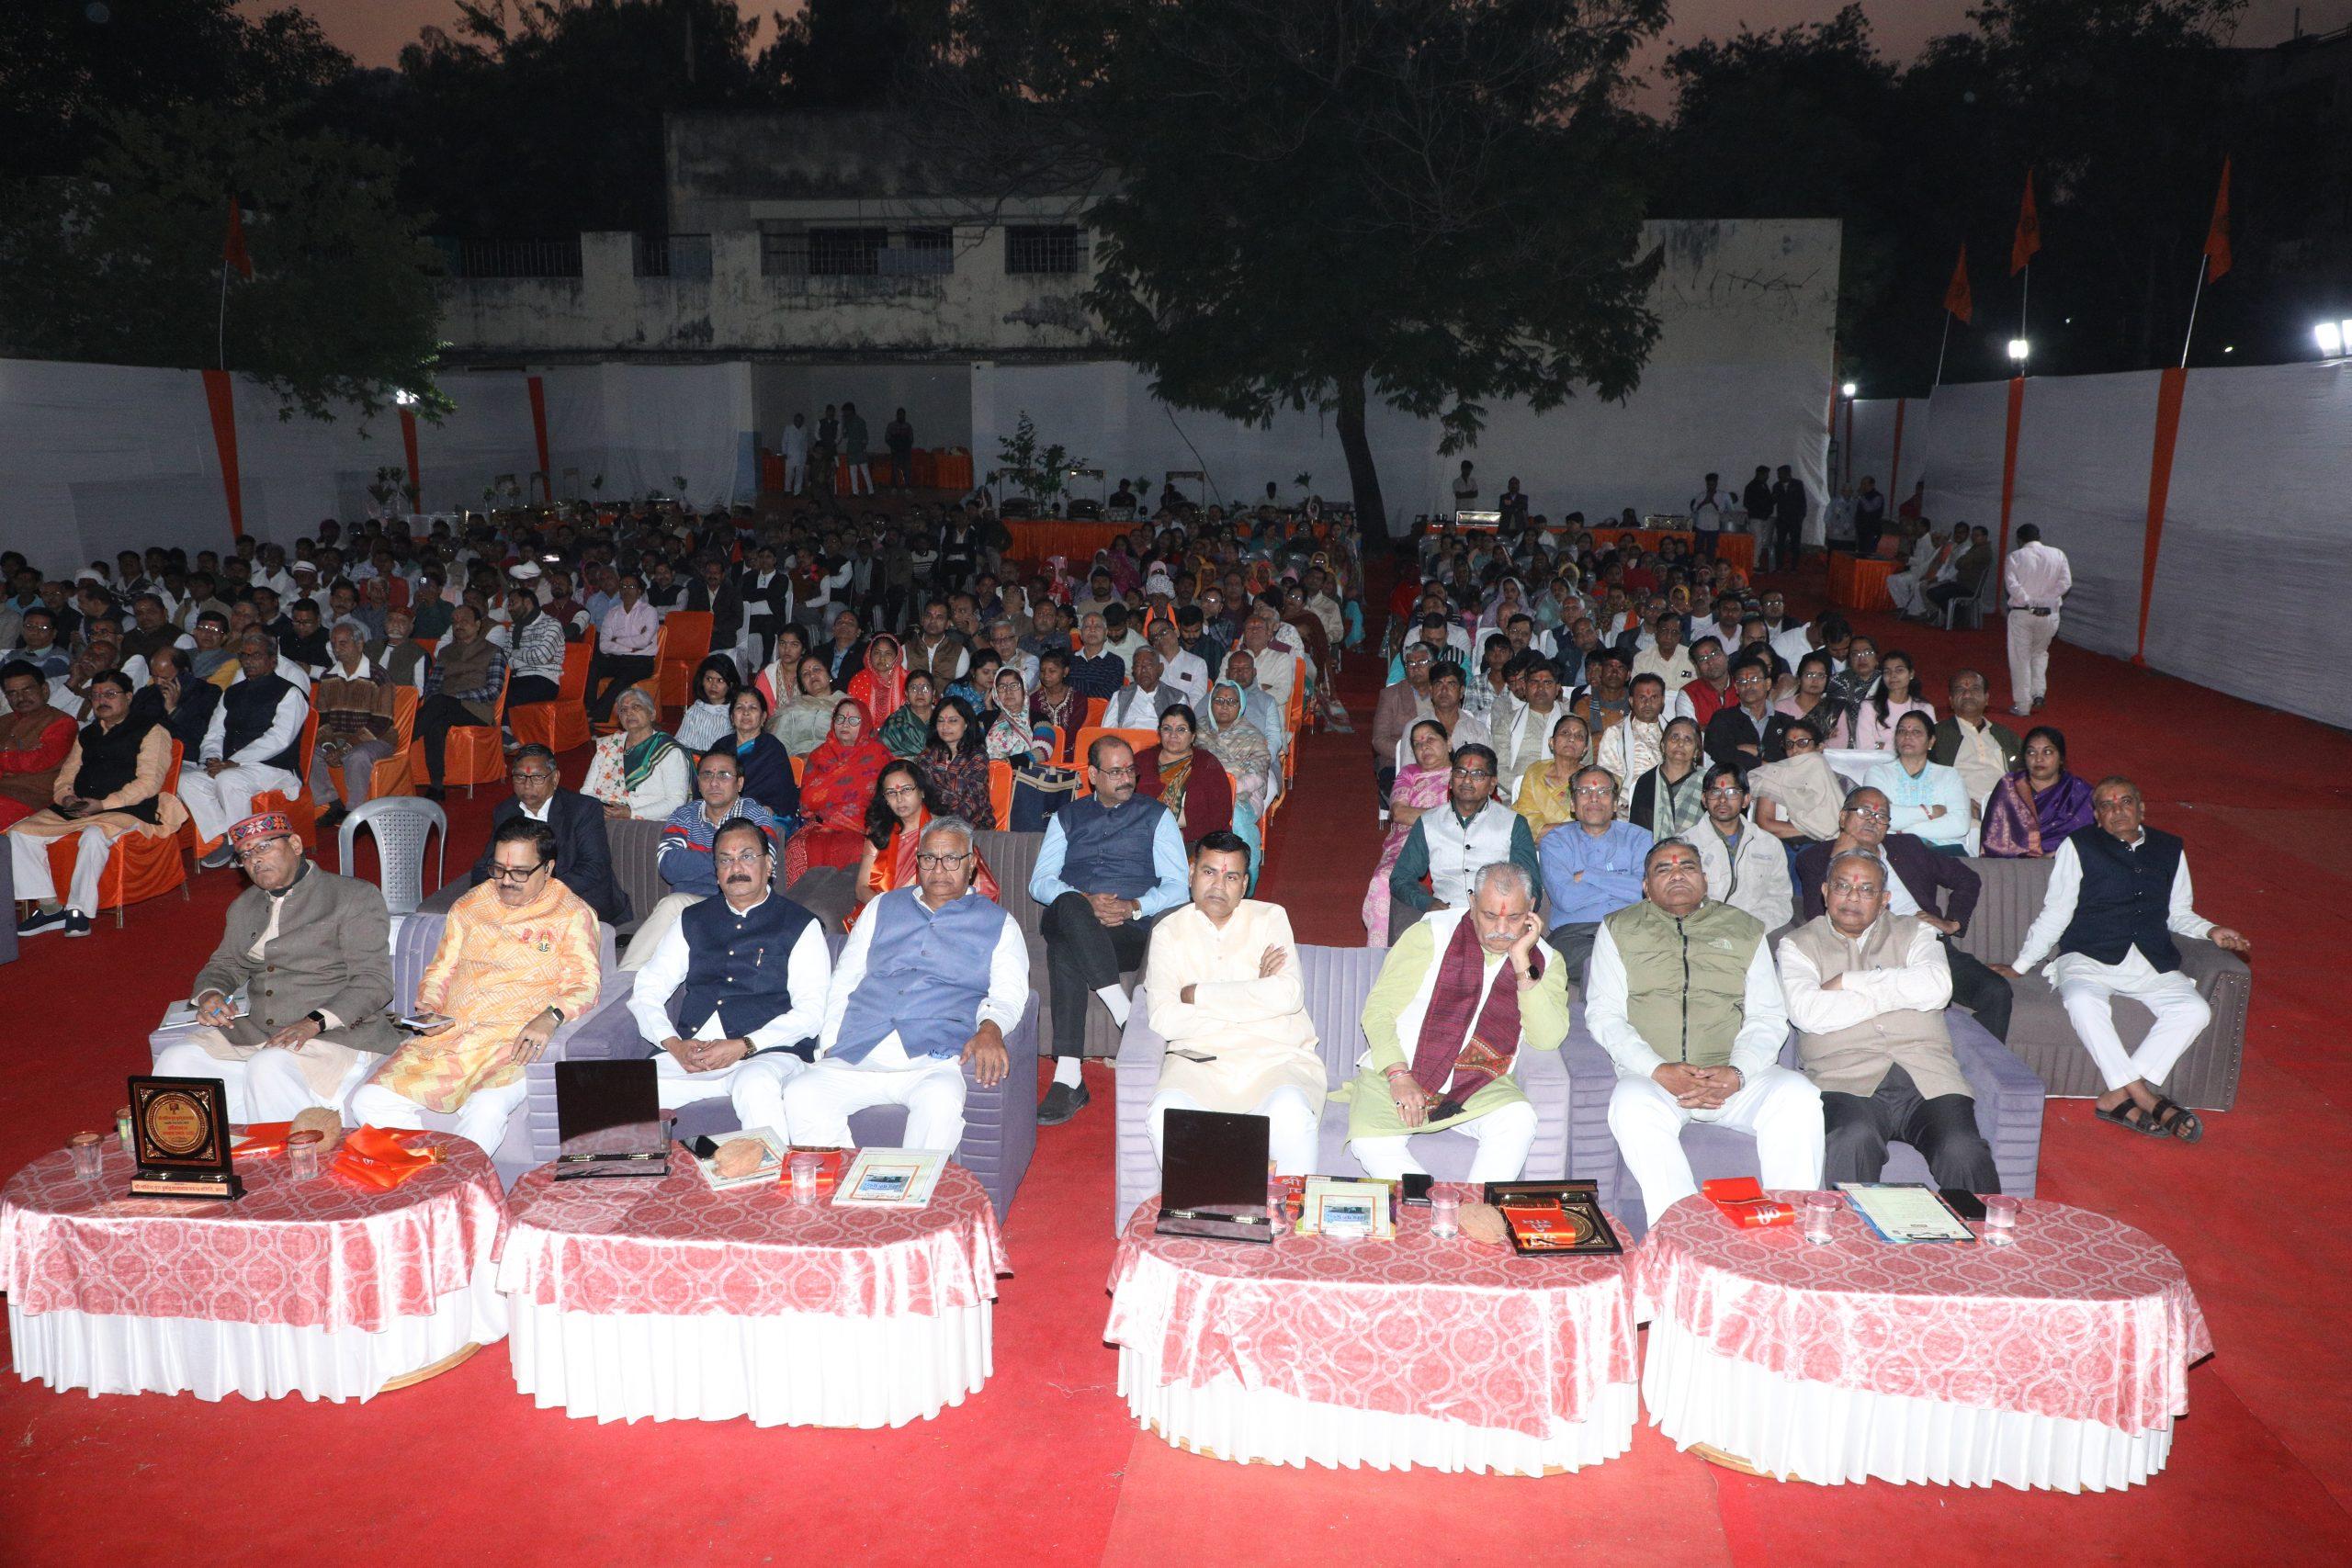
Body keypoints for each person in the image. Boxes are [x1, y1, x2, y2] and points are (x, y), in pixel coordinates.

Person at [1993, 775, 2247, 1141]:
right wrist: (2020, 965)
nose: (2118, 811)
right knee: (2081, 999)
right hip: (2088, 956)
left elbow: (2178, 912)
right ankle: (2142, 1094)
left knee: (2195, 1011)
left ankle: (2118, 1095)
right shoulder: (2078, 846)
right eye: (2107, 806)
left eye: (2125, 802)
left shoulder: (2170, 848)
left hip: (2149, 959)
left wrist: (2211, 930)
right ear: (2096, 815)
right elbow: (2057, 912)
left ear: (2141, 808)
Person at [1587, 839, 1819, 1226]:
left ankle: (1791, 1234)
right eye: (1663, 869)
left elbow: (1768, 1018)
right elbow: (1604, 1015)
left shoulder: (1745, 930)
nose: (1677, 873)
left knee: (1799, 1095)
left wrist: (1737, 1072)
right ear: (1645, 885)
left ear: (1706, 879)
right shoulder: (1619, 928)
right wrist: (1658, 1069)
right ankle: (1681, 1234)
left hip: (1733, 1079)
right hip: (1655, 1080)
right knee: (1629, 1104)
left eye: (1688, 867)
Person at [347, 818, 603, 1151]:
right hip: (455, 1034)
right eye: (498, 870)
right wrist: (430, 1007)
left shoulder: (571, 914)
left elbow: (585, 985)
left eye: (520, 873)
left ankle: (459, 1183)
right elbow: (441, 969)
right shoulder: (470, 906)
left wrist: (551, 1016)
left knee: (486, 1109)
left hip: (513, 1041)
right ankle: (432, 1167)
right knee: (368, 1101)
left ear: (548, 868)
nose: (506, 882)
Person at [786, 816, 1025, 1153]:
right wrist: (829, 1042)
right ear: (918, 862)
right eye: (929, 858)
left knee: (941, 1101)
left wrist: (991, 1028)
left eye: (952, 859)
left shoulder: (999, 923)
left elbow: (1010, 993)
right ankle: (842, 1190)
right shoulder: (883, 906)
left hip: (933, 1058)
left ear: (971, 865)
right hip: (860, 1051)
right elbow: (846, 977)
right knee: (800, 1093)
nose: (939, 869)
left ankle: (911, 1198)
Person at [153, 813, 401, 1121]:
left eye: (263, 847)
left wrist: (313, 1022)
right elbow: (226, 963)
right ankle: (199, 1161)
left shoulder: (352, 897)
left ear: (295, 845)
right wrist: (211, 995)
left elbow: (374, 982)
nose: (254, 859)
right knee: (176, 1062)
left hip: (335, 1034)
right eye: (245, 855)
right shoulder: (245, 906)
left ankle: (286, 1162)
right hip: (258, 1031)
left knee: (268, 1065)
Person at [1781, 848, 2000, 1189]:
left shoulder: (1917, 932)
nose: (1853, 897)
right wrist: (1897, 992)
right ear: (1824, 891)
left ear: (1884, 899)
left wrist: (1847, 982)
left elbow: (1938, 989)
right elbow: (1808, 1013)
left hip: (1928, 1075)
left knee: (1962, 1150)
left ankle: (1985, 1238)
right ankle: (1849, 1240)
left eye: (1866, 889)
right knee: (1853, 1138)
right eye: (1842, 886)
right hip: (1843, 1079)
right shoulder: (1797, 945)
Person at [1346, 862, 1567, 1180]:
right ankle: (1440, 1208)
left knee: (1518, 1118)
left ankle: (1475, 1213)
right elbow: (1378, 1010)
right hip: (1401, 1071)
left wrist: (1521, 963)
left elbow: (1547, 1039)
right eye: (1490, 915)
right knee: (1369, 1144)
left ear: (1532, 909)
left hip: (1478, 1084)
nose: (1501, 928)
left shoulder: (1544, 959)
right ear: (1473, 902)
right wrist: (1398, 1074)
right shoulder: (1431, 933)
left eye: (1515, 917)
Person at [623, 818, 832, 1130]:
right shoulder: (692, 919)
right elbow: (648, 988)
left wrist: (744, 1045)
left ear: (769, 865)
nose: (736, 867)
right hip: (693, 1053)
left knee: (755, 1083)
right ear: (716, 872)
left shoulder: (800, 924)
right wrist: (672, 1044)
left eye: (747, 856)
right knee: (625, 1091)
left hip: (766, 1054)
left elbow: (811, 1013)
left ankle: (769, 1177)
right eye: (725, 859)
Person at [1141, 831, 1327, 1174]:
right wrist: (1253, 996)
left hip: (1273, 1059)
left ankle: (1290, 1223)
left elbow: (1288, 994)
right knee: (1166, 1114)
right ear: (1191, 873)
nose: (1218, 885)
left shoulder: (1271, 918)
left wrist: (1197, 994)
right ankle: (1202, 1217)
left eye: (1231, 877)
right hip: (1200, 1065)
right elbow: (1165, 1019)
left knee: (1291, 1111)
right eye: (1209, 872)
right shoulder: (1169, 932)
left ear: (1244, 885)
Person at [1028, 736, 1189, 1125]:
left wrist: (1134, 906)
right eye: (1115, 771)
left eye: (1130, 769)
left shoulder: (1157, 816)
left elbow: (1178, 885)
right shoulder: (1067, 817)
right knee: (1068, 906)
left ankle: (1069, 1078)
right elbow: (1040, 882)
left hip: (1126, 930)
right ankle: (1124, 1011)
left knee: (1065, 949)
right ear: (1093, 775)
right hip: (1072, 912)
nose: (1126, 778)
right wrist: (1084, 899)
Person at [1793, 786, 2014, 1041]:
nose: (1872, 820)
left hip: (1924, 947)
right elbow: (1816, 917)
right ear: (1843, 817)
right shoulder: (1815, 858)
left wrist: (1953, 922)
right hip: (1861, 955)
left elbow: (1967, 878)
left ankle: (1983, 1071)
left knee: (1995, 991)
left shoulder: (1907, 847)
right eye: (1863, 811)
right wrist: (1837, 856)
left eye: (1881, 816)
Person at [9, 671, 187, 937]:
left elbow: (149, 783)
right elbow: (66, 776)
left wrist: (105, 804)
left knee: (93, 835)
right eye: (96, 695)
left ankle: (78, 910)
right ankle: (50, 908)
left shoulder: (152, 731)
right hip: (80, 806)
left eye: (110, 694)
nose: (101, 700)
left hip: (128, 808)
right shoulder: (88, 733)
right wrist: (66, 797)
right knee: (19, 833)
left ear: (128, 697)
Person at [184, 633, 308, 867]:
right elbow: (215, 732)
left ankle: (243, 847)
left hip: (274, 767)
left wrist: (234, 761)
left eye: (257, 655)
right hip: (232, 766)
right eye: (245, 655)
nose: (249, 661)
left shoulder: (290, 693)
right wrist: (212, 758)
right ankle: (227, 837)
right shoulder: (232, 692)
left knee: (229, 780)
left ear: (273, 660)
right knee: (188, 781)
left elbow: (279, 739)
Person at [1387, 742, 1540, 931]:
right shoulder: (1429, 822)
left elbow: (1530, 884)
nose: (1467, 780)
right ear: (1451, 780)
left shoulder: (1514, 823)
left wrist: (1511, 917)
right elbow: (1400, 878)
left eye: (1477, 774)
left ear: (1492, 784)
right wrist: (1427, 903)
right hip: (1445, 919)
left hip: (1499, 922)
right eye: (1460, 772)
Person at [473, 744, 630, 925]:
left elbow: (594, 867)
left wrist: (538, 894)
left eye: (537, 777)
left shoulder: (582, 809)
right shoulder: (505, 811)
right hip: (521, 901)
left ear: (555, 778)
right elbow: (486, 864)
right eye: (520, 776)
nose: (527, 784)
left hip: (577, 899)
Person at [1538, 764, 1653, 976]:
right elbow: (1566, 899)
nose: (1594, 798)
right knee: (1597, 962)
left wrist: (1590, 876)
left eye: (1603, 792)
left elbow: (1644, 892)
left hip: (1632, 929)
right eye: (1584, 792)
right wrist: (1623, 883)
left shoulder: (1640, 839)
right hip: (1574, 935)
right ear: (1572, 804)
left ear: (1616, 804)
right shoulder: (1555, 843)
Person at [782, 697, 892, 885]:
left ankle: (850, 912)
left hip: (863, 827)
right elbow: (807, 801)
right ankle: (798, 908)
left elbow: (884, 801)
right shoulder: (819, 754)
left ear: (864, 722)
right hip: (820, 824)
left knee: (856, 848)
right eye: (840, 719)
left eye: (853, 720)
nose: (845, 724)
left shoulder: (878, 754)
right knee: (796, 847)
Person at [1363, 719, 1451, 942]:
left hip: (1452, 842)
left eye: (1430, 739)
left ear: (1448, 743)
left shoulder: (1462, 774)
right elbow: (1400, 813)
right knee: (1383, 878)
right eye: (1417, 744)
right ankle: (1378, 955)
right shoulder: (1408, 774)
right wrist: (1447, 817)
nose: (1424, 747)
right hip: (1407, 843)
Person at [307, 625, 399, 832]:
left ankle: (355, 812)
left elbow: (381, 721)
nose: (337, 649)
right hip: (338, 739)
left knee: (357, 757)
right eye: (334, 644)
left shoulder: (378, 675)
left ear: (359, 644)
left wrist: (345, 748)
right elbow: (321, 718)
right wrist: (330, 746)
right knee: (310, 753)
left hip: (377, 738)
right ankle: (333, 804)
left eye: (343, 643)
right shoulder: (329, 676)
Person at [415, 605, 507, 801]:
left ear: (478, 624)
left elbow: (493, 690)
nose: (458, 625)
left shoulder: (493, 651)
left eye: (464, 620)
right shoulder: (446, 652)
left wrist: (456, 698)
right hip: (444, 707)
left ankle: (400, 741)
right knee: (436, 722)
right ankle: (437, 785)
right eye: (455, 621)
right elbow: (432, 686)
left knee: (439, 703)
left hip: (476, 710)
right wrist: (440, 700)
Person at [1690, 763, 1793, 931]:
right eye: (1715, 792)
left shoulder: (1769, 845)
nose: (1722, 799)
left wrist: (1747, 927)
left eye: (1732, 793)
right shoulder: (1687, 844)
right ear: (1704, 799)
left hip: (1756, 930)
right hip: (1704, 930)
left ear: (1746, 799)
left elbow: (1779, 899)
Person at [1980, 724, 2095, 858]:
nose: (2038, 759)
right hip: (2014, 867)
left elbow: (2089, 839)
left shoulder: (2078, 792)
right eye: (2031, 752)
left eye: (2047, 752)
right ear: (2024, 757)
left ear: (2061, 759)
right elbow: (1993, 839)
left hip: (2064, 864)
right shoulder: (2010, 786)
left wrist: (2057, 855)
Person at [1864, 711, 1972, 852]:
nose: (1907, 736)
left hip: (1945, 851)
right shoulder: (1878, 773)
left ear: (1931, 741)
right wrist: (1930, 811)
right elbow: (1877, 817)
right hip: (1895, 852)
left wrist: (1902, 830)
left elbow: (1960, 824)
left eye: (1916, 732)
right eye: (1902, 731)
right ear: (1896, 739)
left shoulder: (1949, 775)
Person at [581, 686, 691, 822]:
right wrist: (602, 810)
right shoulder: (609, 745)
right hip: (604, 816)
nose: (629, 713)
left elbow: (676, 802)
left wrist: (631, 813)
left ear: (652, 714)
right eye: (623, 710)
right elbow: (586, 790)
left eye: (636, 707)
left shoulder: (669, 751)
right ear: (619, 718)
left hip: (646, 822)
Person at [1198, 679, 1276, 867]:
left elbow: (1257, 775)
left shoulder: (1253, 735)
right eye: (1219, 701)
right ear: (1210, 703)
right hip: (1201, 791)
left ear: (1240, 706)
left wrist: (1227, 788)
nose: (1225, 706)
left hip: (1242, 796)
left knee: (1238, 818)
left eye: (1232, 702)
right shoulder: (1196, 730)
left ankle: (1247, 873)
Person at [1135, 702, 1233, 840]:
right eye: (1167, 728)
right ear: (1159, 732)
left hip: (1194, 838)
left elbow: (1221, 813)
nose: (1173, 735)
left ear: (1193, 736)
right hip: (1144, 834)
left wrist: (1183, 835)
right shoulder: (1141, 760)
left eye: (1181, 730)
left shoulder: (1207, 764)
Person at [2003, 522, 2071, 716]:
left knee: (2020, 657)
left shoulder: (2015, 557)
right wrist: (2045, 600)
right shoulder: (2058, 554)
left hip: (2023, 613)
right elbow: (2066, 582)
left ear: (2019, 539)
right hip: (2050, 614)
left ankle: (2023, 705)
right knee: (2040, 653)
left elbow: (2012, 585)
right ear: (2039, 537)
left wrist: (2031, 602)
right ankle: (2038, 692)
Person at [0, 659, 76, 831]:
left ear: (44, 689)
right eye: (12, 693)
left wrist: (6, 757)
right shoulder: (4, 722)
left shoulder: (63, 722)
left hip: (30, 799)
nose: (21, 698)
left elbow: (36, 761)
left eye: (27, 690)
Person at [1929, 669, 2022, 810]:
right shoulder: (1936, 735)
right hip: (1961, 811)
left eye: (1975, 688)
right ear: (1951, 701)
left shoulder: (2006, 736)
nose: (1967, 694)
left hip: (2006, 810)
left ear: (1986, 699)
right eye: (1960, 689)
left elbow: (2025, 774)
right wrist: (1959, 802)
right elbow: (1925, 777)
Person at [1747, 718, 1844, 850]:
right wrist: (1819, 829)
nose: (1795, 750)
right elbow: (1765, 825)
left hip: (1828, 848)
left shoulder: (1839, 780)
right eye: (1789, 744)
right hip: (1784, 848)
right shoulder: (1774, 776)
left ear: (1819, 747)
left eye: (1802, 743)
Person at [585, 570, 661, 723]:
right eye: (623, 587)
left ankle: (596, 716)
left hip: (642, 661)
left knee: (621, 679)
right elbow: (604, 646)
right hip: (619, 658)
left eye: (631, 587)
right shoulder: (612, 613)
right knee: (592, 667)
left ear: (639, 591)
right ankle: (588, 708)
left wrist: (617, 639)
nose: (626, 590)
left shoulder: (649, 611)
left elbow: (643, 642)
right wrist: (629, 647)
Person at [722, 687, 800, 823]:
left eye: (753, 708)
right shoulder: (720, 746)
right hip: (721, 813)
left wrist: (755, 814)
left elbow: (782, 796)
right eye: (740, 708)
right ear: (732, 717)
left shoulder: (772, 749)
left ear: (763, 717)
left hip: (763, 817)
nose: (746, 713)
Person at [1595, 673, 1668, 815]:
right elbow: (1608, 778)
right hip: (1627, 808)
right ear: (1631, 701)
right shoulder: (1615, 733)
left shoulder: (1675, 735)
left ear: (1663, 701)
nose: (1648, 703)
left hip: (1667, 804)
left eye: (1654, 697)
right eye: (1642, 698)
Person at [918, 695, 994, 828]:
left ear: (966, 724)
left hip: (973, 827)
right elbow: (923, 798)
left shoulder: (978, 757)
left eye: (953, 721)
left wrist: (942, 821)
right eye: (940, 721)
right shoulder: (926, 757)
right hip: (930, 824)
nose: (945, 726)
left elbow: (972, 803)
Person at [1629, 716, 1707, 840]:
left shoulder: (1707, 782)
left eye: (1688, 740)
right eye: (1674, 737)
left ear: (1697, 751)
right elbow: (1638, 833)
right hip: (1655, 853)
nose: (1680, 744)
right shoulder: (1647, 782)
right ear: (1663, 746)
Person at [1845, 649, 1932, 751]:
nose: (1893, 675)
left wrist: (1882, 746)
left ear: (1911, 674)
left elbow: (1929, 745)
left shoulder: (1924, 708)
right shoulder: (1869, 707)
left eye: (1899, 670)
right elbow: (1864, 748)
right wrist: (1907, 747)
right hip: (1877, 765)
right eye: (1887, 671)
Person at [771, 656, 842, 756]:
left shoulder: (845, 704)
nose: (812, 675)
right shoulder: (793, 709)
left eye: (816, 669)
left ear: (829, 676)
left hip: (832, 762)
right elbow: (779, 745)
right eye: (805, 674)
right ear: (803, 686)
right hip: (797, 765)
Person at [674, 655, 740, 753]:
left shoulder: (735, 712)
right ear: (701, 681)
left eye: (720, 680)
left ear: (731, 684)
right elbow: (681, 743)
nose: (713, 686)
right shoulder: (695, 710)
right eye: (709, 679)